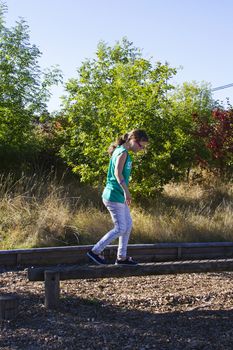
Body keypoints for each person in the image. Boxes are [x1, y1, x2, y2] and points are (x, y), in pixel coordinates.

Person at [87, 129, 149, 266]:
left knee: (127, 225)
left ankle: (122, 257)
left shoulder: (123, 151)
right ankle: (95, 251)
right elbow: (117, 173)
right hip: (114, 195)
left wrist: (124, 193)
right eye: (141, 145)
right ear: (133, 139)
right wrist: (126, 191)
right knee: (121, 228)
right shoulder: (122, 152)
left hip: (118, 196)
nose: (141, 149)